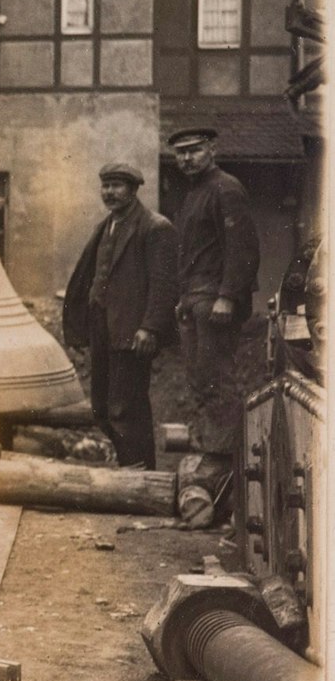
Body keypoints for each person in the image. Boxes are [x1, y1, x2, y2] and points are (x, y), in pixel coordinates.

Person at [167, 125, 261, 527]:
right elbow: (190, 254)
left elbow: (243, 249)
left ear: (212, 149)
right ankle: (212, 460)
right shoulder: (193, 195)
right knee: (200, 380)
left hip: (215, 301)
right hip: (195, 300)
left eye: (194, 151)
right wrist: (182, 299)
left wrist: (228, 295)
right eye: (181, 153)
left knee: (219, 382)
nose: (187, 159)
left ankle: (224, 466)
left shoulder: (227, 189)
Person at [61, 162, 177, 470]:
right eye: (105, 186)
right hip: (103, 330)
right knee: (101, 407)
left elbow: (164, 284)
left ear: (134, 189)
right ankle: (129, 465)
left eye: (117, 186)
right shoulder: (106, 226)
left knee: (126, 407)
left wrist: (150, 328)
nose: (109, 193)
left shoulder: (155, 227)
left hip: (133, 333)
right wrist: (80, 330)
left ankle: (139, 475)